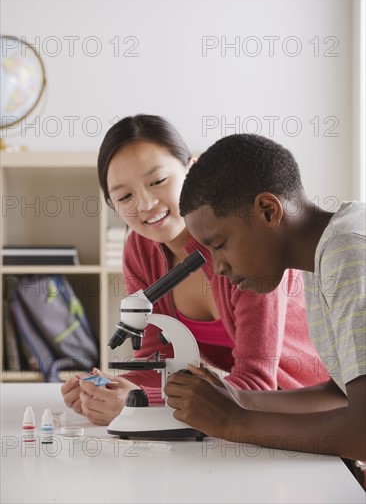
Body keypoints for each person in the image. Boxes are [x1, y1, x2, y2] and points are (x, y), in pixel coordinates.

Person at [62, 116, 329, 426]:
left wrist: (139, 402)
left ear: (192, 169)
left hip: (298, 410)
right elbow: (154, 362)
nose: (146, 204)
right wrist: (106, 391)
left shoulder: (244, 245)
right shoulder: (140, 249)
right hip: (229, 410)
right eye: (124, 197)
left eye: (157, 181)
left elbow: (258, 382)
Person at [164, 132, 365, 464]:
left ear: (268, 211)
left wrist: (232, 421)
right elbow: (340, 393)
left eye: (218, 244)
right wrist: (241, 399)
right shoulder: (324, 255)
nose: (219, 268)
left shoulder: (349, 250)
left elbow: (362, 431)